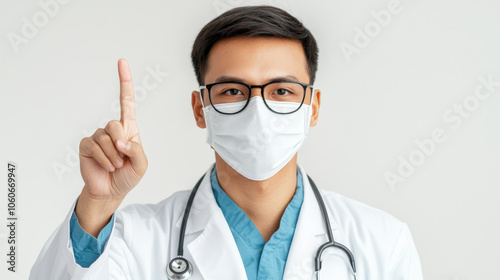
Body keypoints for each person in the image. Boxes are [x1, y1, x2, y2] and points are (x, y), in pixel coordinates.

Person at [29, 5, 423, 280]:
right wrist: (99, 201)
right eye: (233, 90)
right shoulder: (135, 238)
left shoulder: (383, 242)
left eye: (282, 91)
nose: (258, 110)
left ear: (312, 107)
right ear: (200, 108)